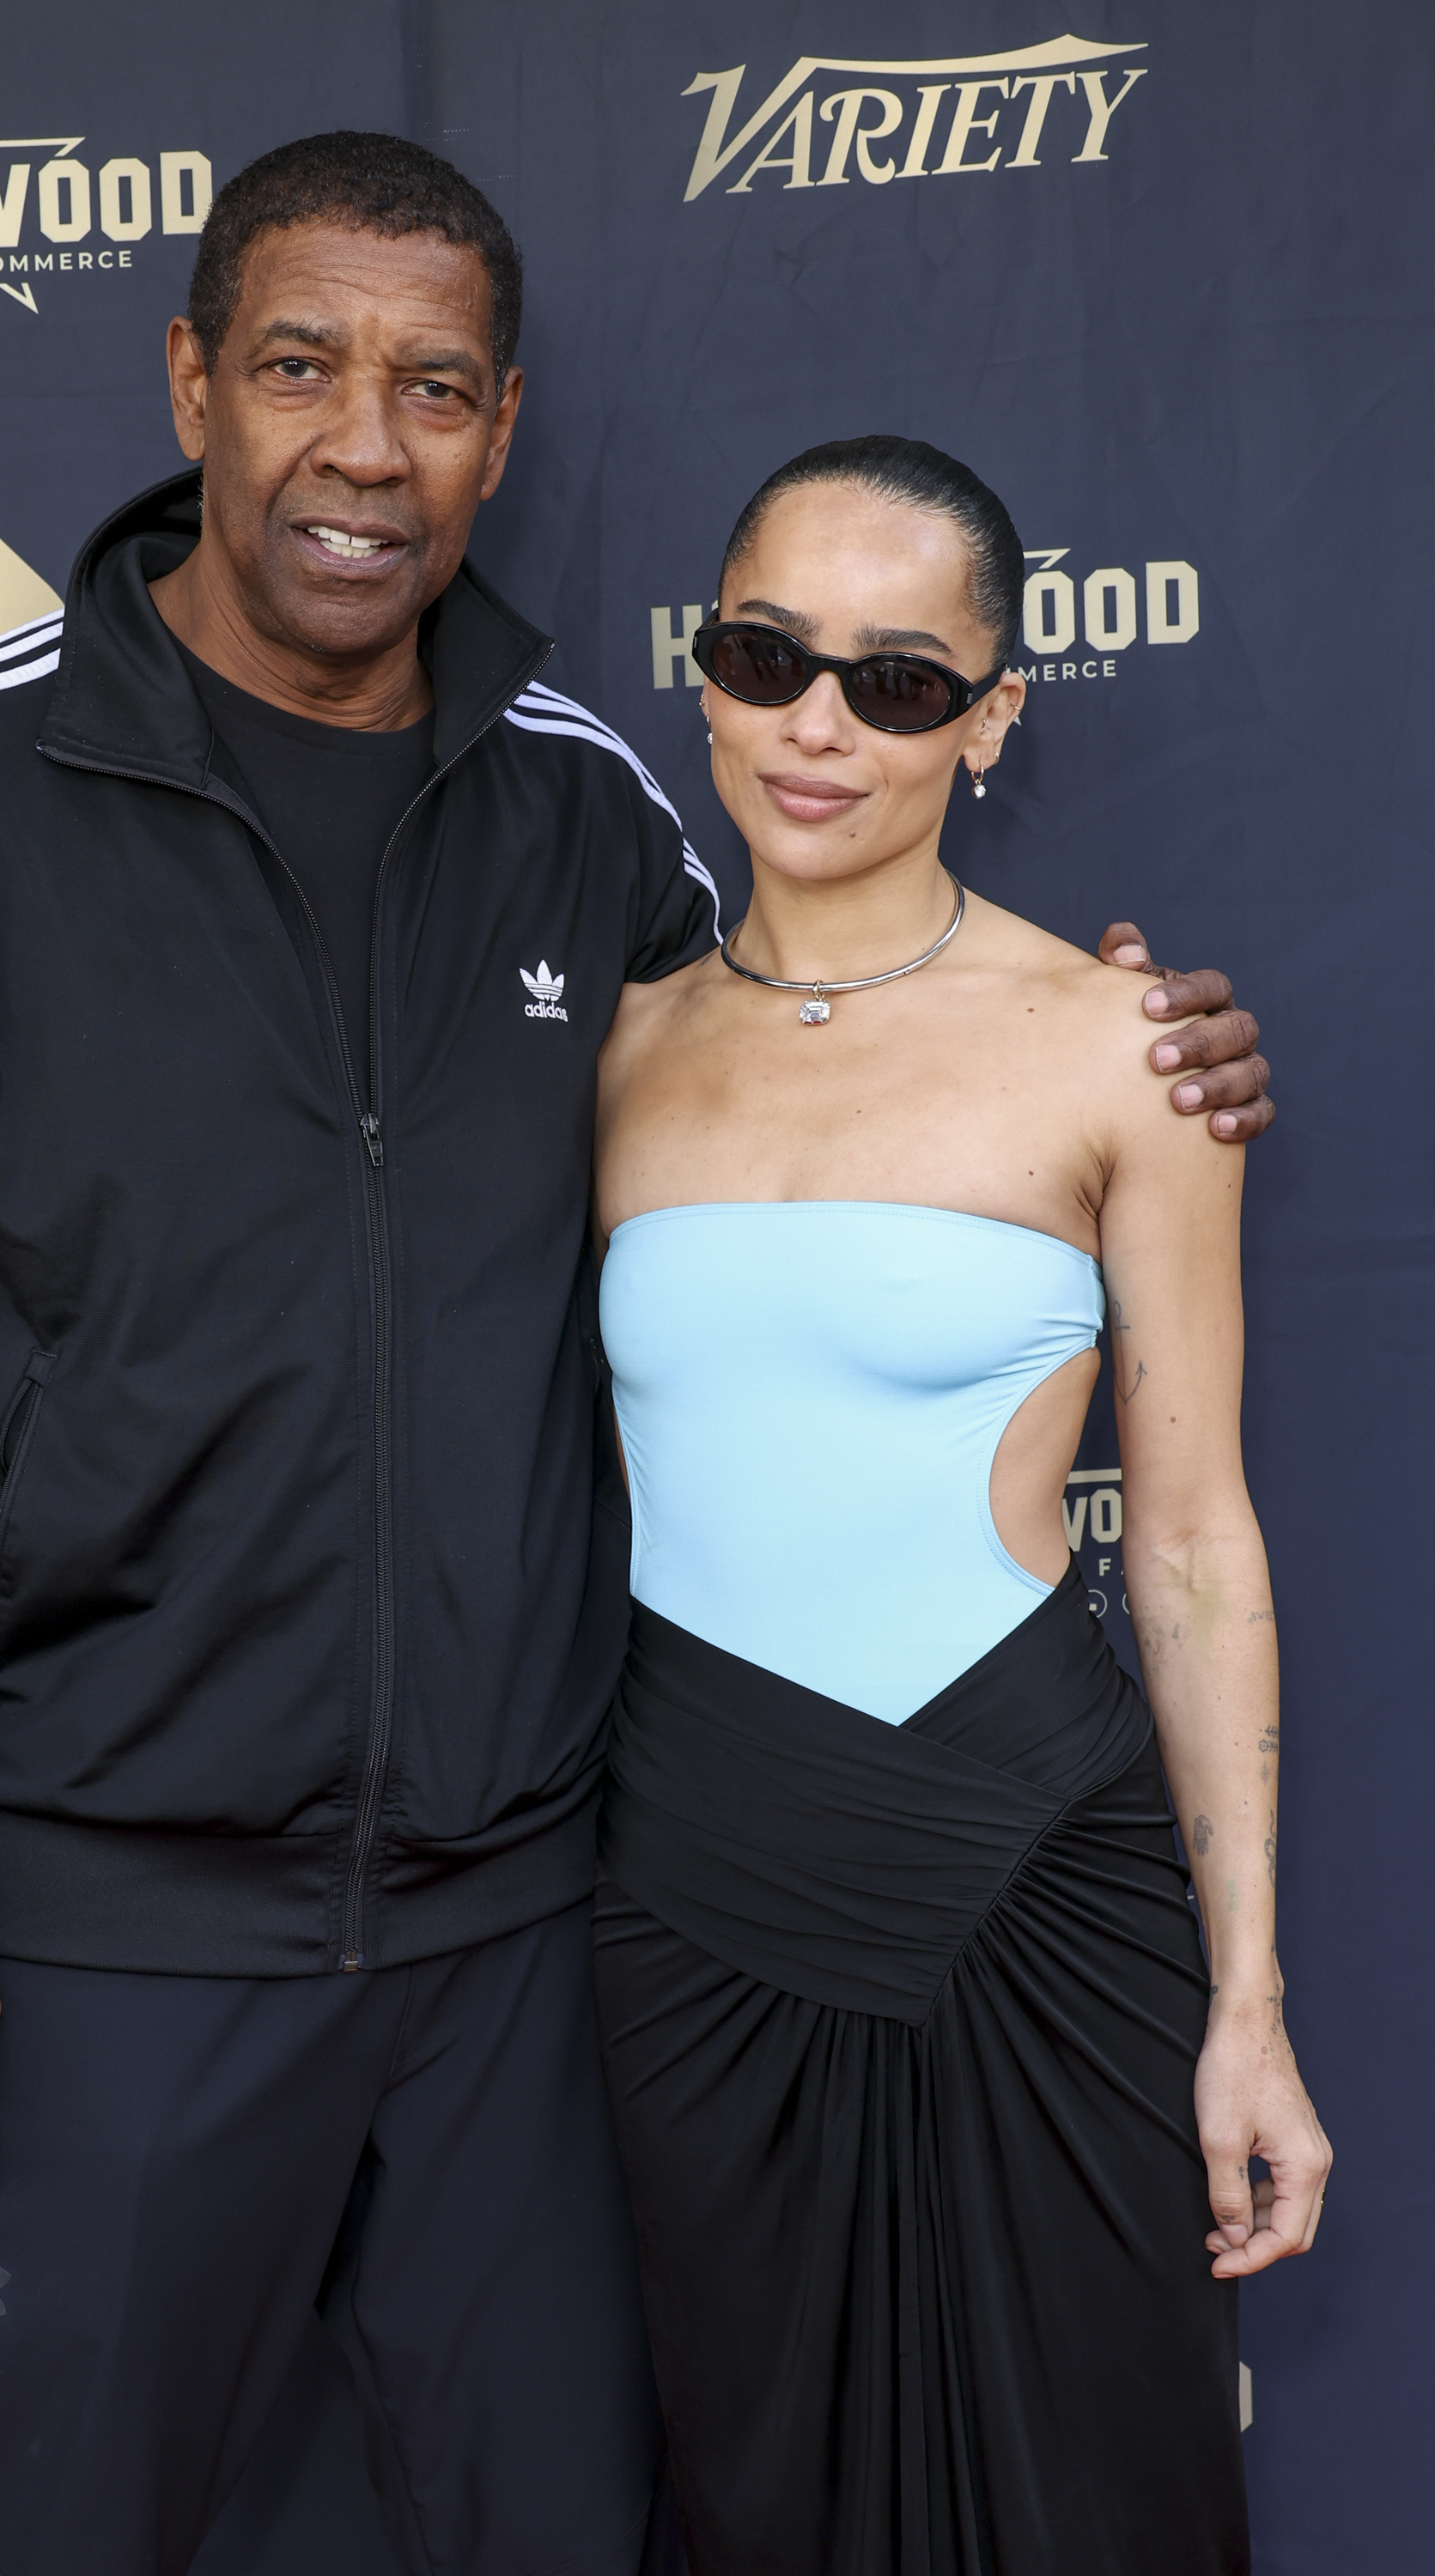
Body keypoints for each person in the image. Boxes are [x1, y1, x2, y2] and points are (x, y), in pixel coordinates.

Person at [0, 128, 1275, 2576]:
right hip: (105, 1941)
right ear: (189, 381)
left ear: (505, 430)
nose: (366, 446)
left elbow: (825, 1044)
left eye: (434, 388)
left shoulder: (584, 818)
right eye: (304, 366)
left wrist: (1142, 1053)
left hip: (530, 1950)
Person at [589, 435, 1331, 2576]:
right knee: (758, 2494)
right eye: (767, 656)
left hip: (1036, 1871)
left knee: (1098, 2494)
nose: (821, 722)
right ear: (702, 675)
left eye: (902, 681)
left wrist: (1248, 1999)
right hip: (686, 1885)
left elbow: (1190, 1542)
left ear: (995, 714)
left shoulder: (1129, 1050)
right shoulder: (609, 1047)